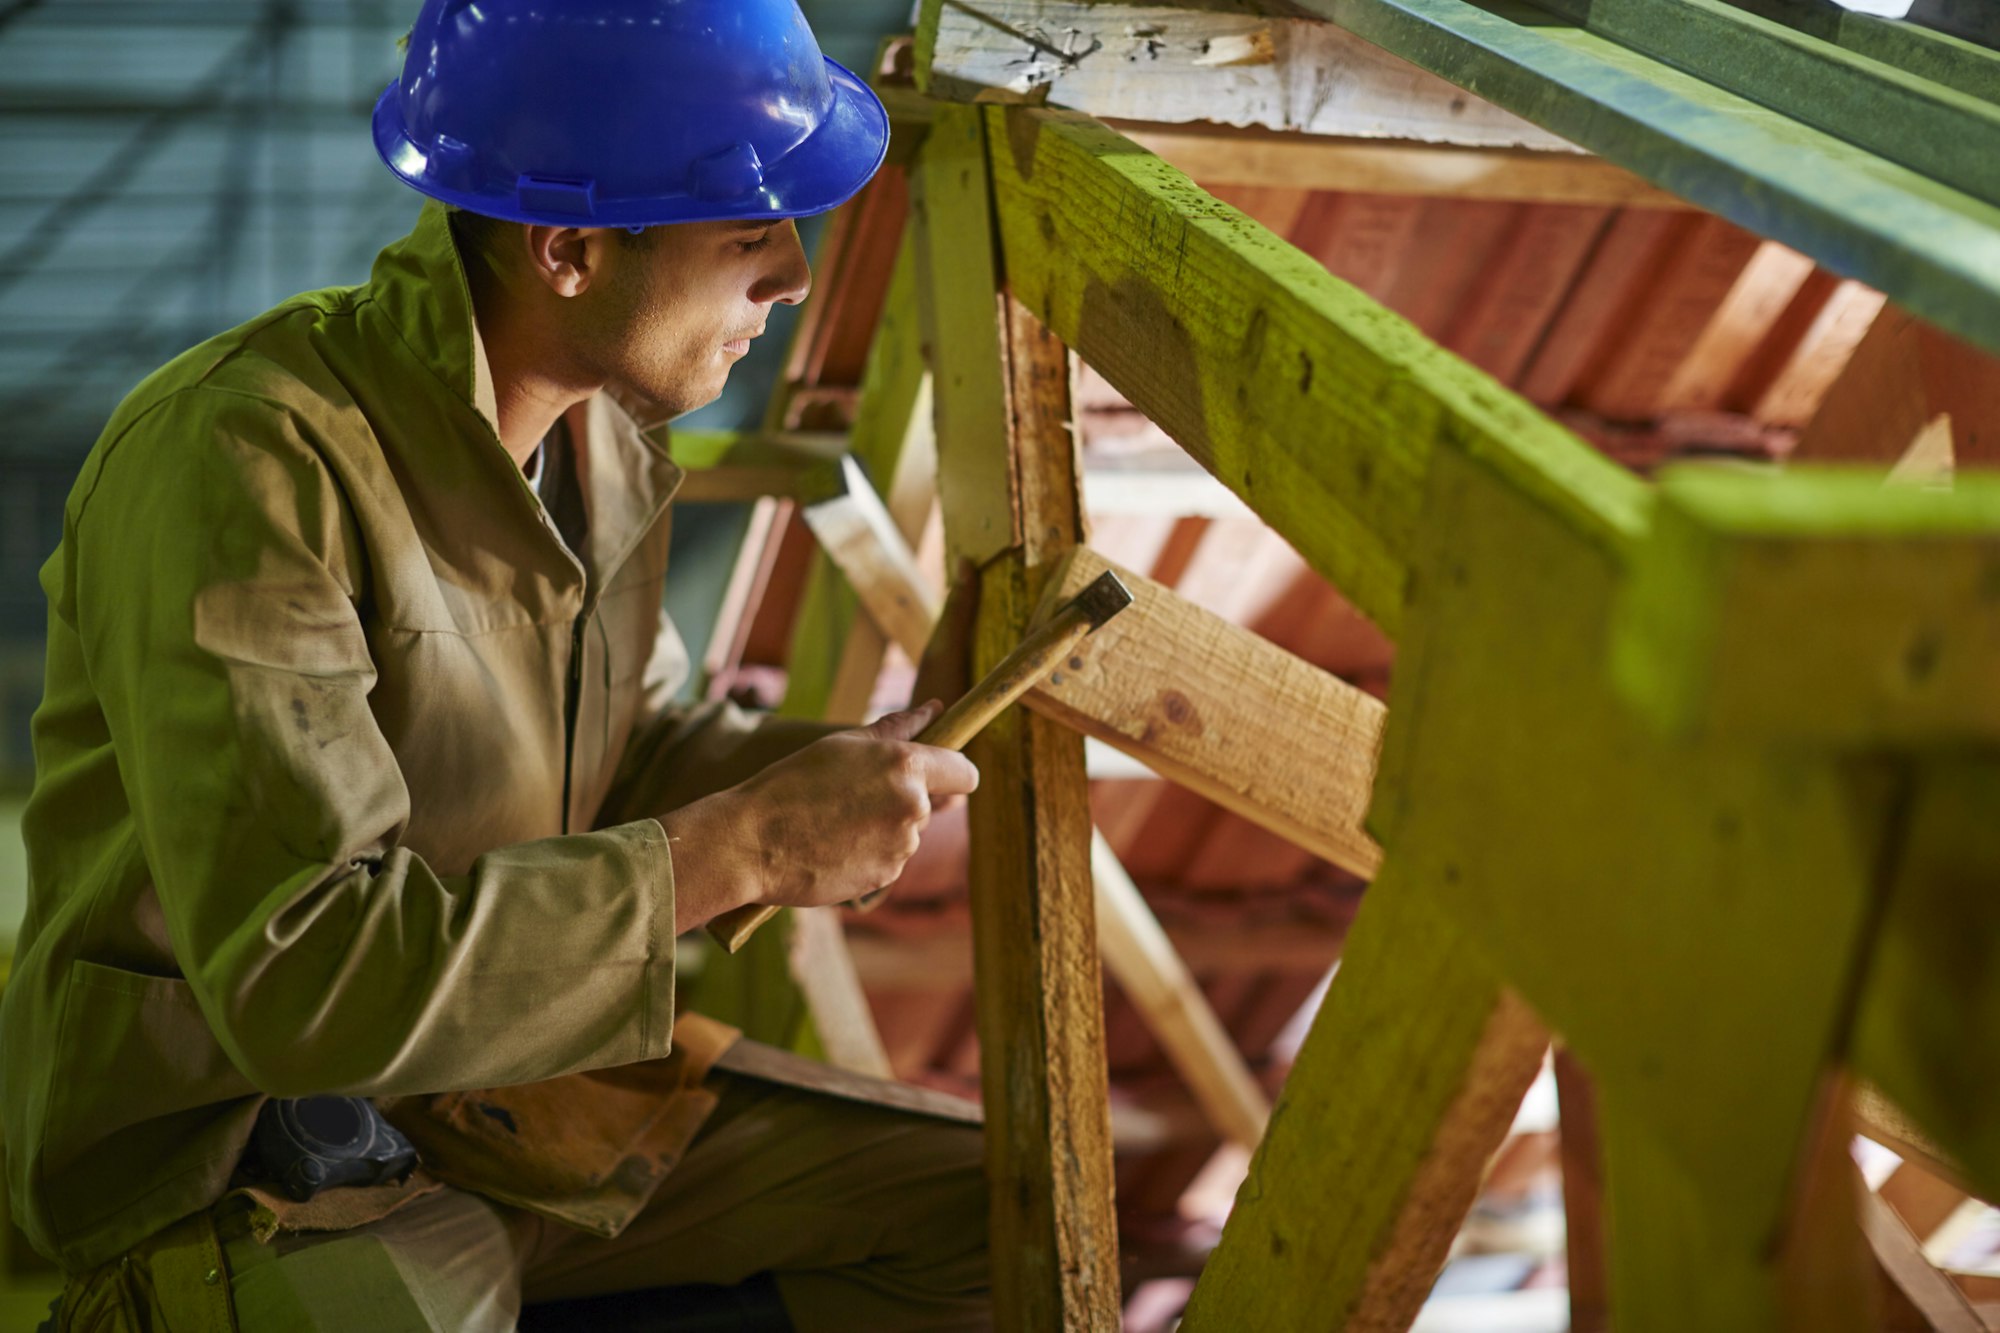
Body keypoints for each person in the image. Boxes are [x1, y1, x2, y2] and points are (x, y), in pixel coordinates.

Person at [2, 2, 992, 1328]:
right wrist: (742, 848)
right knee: (416, 1302)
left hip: (498, 1090)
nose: (796, 277)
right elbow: (312, 975)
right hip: (233, 1152)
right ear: (572, 248)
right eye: (751, 232)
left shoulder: (610, 443)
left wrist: (828, 776)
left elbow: (622, 752)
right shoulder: (243, 460)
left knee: (987, 1213)